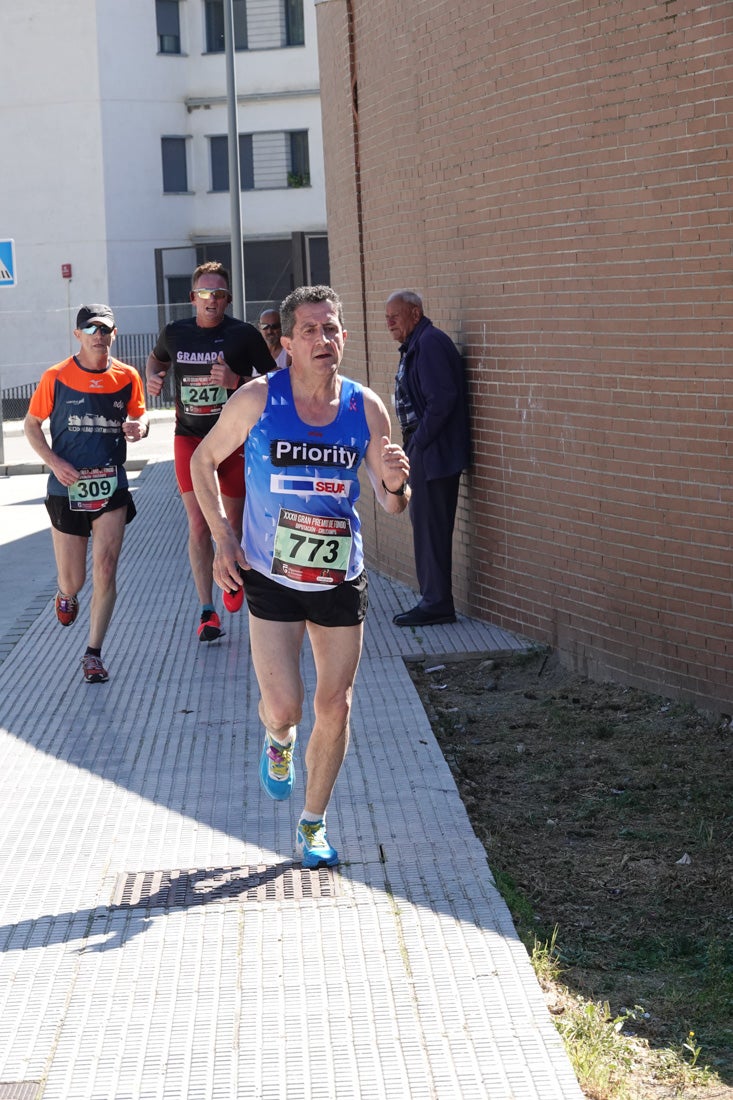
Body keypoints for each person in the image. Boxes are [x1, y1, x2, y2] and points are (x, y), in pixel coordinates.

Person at [191, 285, 410, 868]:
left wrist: (393, 482)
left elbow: (392, 505)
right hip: (272, 573)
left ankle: (312, 824)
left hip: (340, 577)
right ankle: (279, 740)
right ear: (286, 343)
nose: (324, 340)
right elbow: (202, 460)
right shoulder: (259, 399)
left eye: (332, 329)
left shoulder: (365, 408)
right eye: (310, 331)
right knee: (286, 706)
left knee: (335, 704)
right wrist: (223, 537)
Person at [145, 261, 272, 642]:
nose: (211, 300)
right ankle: (206, 610)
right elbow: (157, 358)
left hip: (231, 440)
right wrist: (151, 375)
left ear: (227, 299)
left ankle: (231, 578)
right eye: (204, 294)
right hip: (189, 438)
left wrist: (237, 382)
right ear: (193, 298)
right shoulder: (175, 332)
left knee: (230, 526)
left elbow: (274, 381)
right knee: (199, 524)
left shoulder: (244, 335)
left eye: (218, 294)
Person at [24, 304, 149, 684]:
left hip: (110, 483)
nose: (98, 334)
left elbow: (140, 413)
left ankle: (93, 653)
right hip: (67, 487)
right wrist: (53, 463)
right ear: (78, 335)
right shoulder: (56, 376)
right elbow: (31, 425)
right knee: (74, 580)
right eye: (90, 328)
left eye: (104, 328)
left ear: (114, 333)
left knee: (107, 568)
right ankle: (66, 593)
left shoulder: (127, 375)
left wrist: (139, 427)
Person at [385, 289, 470, 626]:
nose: (389, 322)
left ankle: (436, 603)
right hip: (424, 450)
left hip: (433, 454)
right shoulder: (416, 344)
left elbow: (442, 400)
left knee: (430, 528)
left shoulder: (430, 343)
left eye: (395, 315)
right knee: (425, 526)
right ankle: (432, 598)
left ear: (415, 313)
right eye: (386, 317)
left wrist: (417, 443)